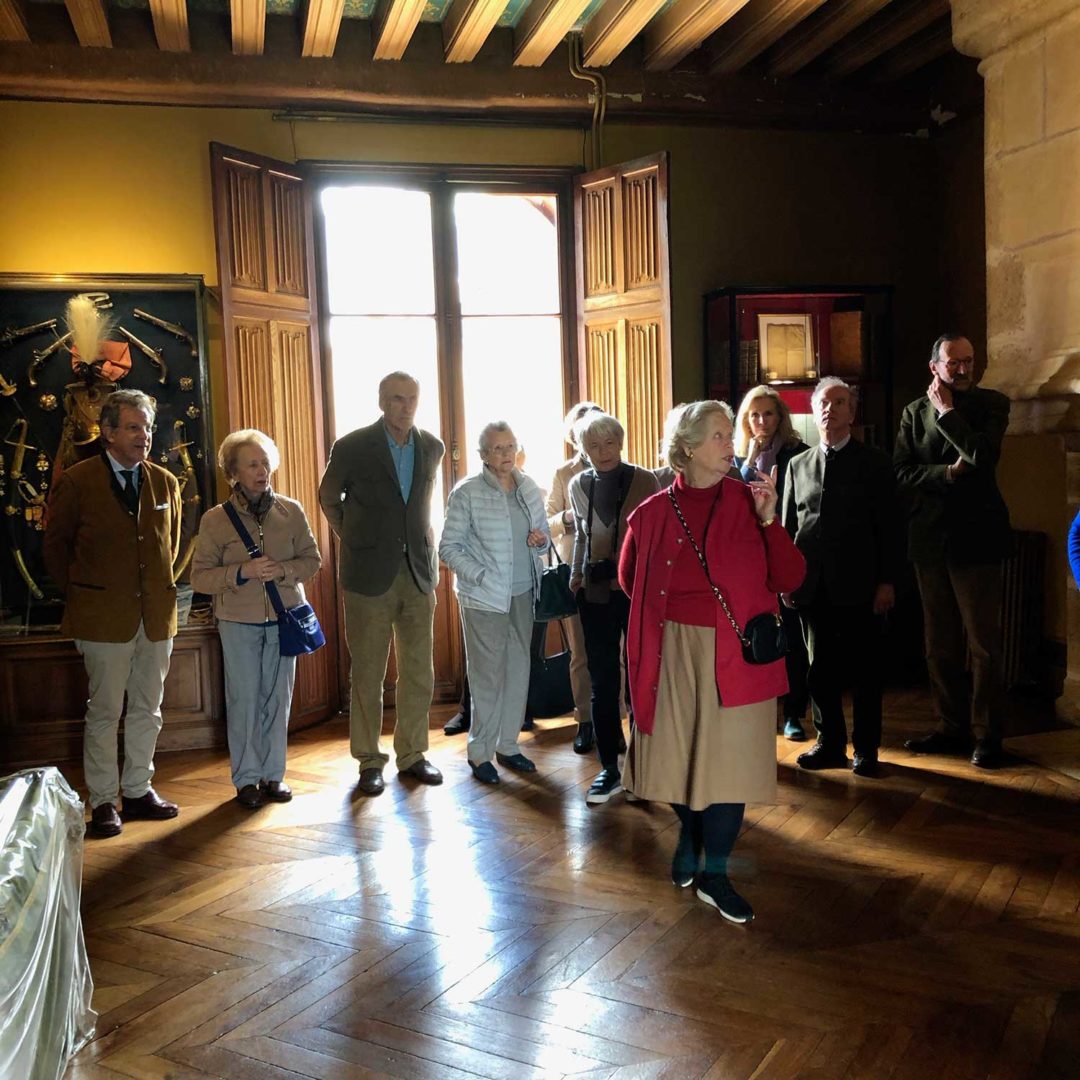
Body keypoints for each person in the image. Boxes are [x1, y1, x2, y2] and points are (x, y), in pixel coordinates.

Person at [619, 400, 805, 923]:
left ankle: (715, 874)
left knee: (729, 770)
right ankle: (691, 832)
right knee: (675, 758)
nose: (731, 444)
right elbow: (630, 580)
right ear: (688, 447)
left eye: (729, 435)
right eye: (720, 436)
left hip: (738, 655)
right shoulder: (651, 513)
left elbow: (790, 577)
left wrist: (770, 522)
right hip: (673, 653)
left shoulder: (751, 502)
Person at [43, 388, 182, 839]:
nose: (144, 436)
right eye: (133, 427)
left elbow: (170, 546)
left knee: (148, 709)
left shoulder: (166, 483)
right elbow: (55, 549)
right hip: (101, 619)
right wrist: (86, 594)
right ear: (107, 432)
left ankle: (138, 790)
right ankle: (103, 800)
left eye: (148, 427)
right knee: (104, 711)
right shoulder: (77, 481)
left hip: (155, 618)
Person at [318, 371, 445, 796]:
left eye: (412, 398)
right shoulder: (352, 446)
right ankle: (369, 760)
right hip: (368, 576)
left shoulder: (432, 447)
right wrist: (355, 539)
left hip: (418, 574)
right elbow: (328, 498)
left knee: (419, 671)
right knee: (368, 673)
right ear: (381, 401)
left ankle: (412, 753)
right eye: (396, 398)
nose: (405, 406)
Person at [895, 334, 1012, 769]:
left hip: (978, 538)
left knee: (983, 645)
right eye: (953, 363)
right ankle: (950, 727)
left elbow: (982, 456)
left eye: (969, 361)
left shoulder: (992, 404)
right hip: (929, 539)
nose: (963, 370)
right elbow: (901, 473)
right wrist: (946, 473)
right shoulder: (912, 413)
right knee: (938, 643)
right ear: (934, 367)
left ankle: (987, 736)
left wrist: (947, 413)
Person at [191, 430, 322, 808]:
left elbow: (312, 560)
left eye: (265, 463)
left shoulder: (291, 511)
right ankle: (247, 779)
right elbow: (199, 578)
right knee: (244, 701)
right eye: (252, 464)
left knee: (278, 700)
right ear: (233, 472)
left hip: (285, 619)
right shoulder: (215, 520)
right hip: (237, 622)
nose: (262, 471)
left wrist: (282, 570)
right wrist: (241, 572)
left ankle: (273, 776)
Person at [782, 377, 901, 777]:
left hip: (862, 587)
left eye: (839, 402)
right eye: (823, 403)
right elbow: (789, 528)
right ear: (813, 411)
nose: (829, 409)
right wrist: (786, 579)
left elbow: (890, 527)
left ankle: (866, 749)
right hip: (812, 587)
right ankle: (829, 743)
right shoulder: (797, 465)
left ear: (852, 412)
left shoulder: (875, 463)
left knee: (866, 672)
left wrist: (887, 581)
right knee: (819, 672)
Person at [439, 422, 550, 783]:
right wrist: (481, 575)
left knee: (519, 669)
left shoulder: (528, 487)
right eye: (497, 448)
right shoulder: (467, 492)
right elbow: (448, 548)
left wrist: (540, 541)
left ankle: (508, 745)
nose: (506, 454)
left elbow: (545, 537)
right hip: (483, 597)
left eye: (510, 446)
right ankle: (479, 752)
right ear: (483, 455)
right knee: (487, 675)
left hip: (523, 591)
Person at [569, 412, 659, 805]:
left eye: (608, 443)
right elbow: (581, 535)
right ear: (582, 449)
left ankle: (641, 765)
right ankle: (609, 765)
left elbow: (655, 536)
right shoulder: (578, 484)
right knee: (602, 680)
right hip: (594, 593)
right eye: (593, 445)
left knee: (639, 674)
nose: (602, 451)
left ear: (621, 442)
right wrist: (575, 576)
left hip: (636, 590)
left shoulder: (645, 480)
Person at [733, 385, 811, 742]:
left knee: (792, 637)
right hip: (748, 561)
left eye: (768, 414)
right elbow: (733, 502)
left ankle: (794, 713)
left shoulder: (798, 453)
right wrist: (749, 459)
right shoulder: (736, 458)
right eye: (754, 415)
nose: (761, 421)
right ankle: (759, 710)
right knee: (755, 635)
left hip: (784, 549)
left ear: (780, 417)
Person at [543, 401, 602, 752]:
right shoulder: (563, 473)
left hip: (611, 572)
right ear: (573, 435)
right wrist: (568, 516)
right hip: (575, 573)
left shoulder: (622, 469)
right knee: (580, 653)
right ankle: (585, 720)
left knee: (615, 652)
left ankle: (614, 720)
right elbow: (547, 522)